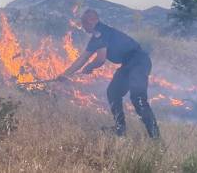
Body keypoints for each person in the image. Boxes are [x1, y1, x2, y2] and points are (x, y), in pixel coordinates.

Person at [57, 8, 160, 138]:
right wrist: (65, 74)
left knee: (138, 99)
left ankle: (156, 138)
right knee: (113, 92)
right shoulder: (96, 37)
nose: (83, 26)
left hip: (139, 62)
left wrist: (90, 67)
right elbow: (82, 59)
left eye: (84, 23)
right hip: (128, 65)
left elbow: (100, 59)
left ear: (92, 20)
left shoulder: (101, 32)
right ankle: (120, 129)